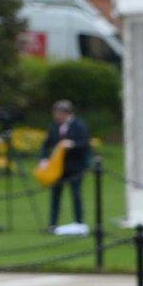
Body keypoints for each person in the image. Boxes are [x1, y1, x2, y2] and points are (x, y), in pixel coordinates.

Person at [42, 98, 92, 232]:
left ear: (66, 113)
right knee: (55, 195)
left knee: (76, 195)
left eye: (59, 113)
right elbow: (47, 144)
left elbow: (85, 144)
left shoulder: (79, 125)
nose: (56, 116)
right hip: (58, 168)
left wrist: (72, 144)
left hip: (75, 167)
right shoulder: (54, 126)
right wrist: (44, 159)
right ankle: (53, 224)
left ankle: (79, 222)